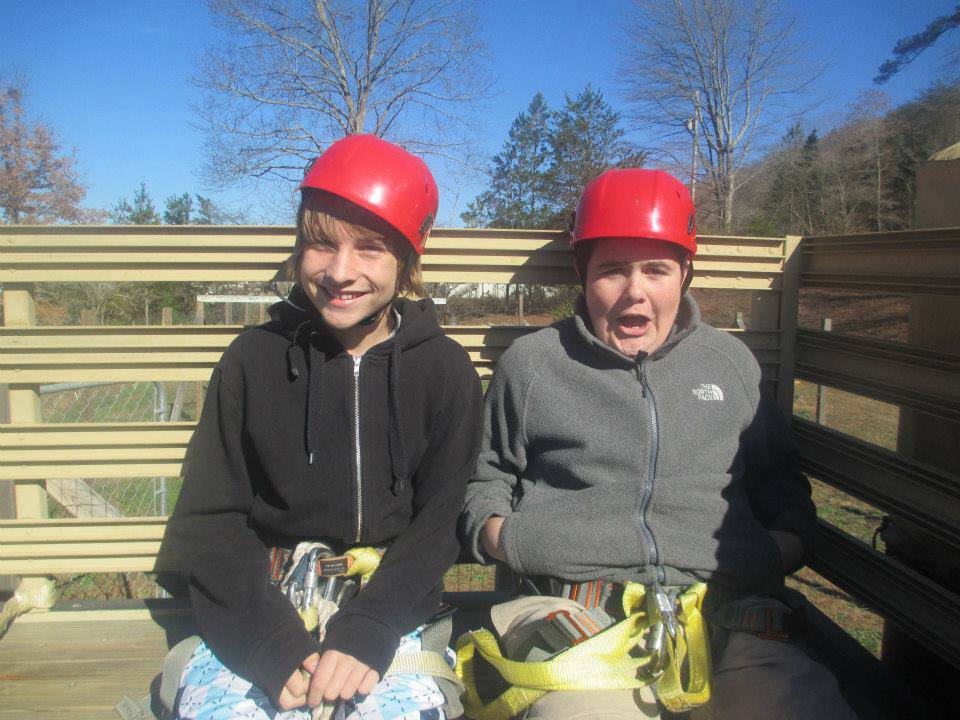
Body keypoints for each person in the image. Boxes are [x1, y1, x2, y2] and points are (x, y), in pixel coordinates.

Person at [460, 168, 856, 719]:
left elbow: (780, 482)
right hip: (578, 621)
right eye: (612, 270)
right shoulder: (533, 365)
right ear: (581, 274)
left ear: (684, 274)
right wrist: (508, 539)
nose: (635, 291)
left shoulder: (731, 364)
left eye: (656, 269)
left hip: (730, 618)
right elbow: (487, 476)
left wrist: (777, 549)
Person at [164, 134, 483, 720]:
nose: (340, 272)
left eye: (371, 248)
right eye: (320, 243)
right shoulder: (252, 361)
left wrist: (371, 624)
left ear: (410, 257)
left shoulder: (444, 371)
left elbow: (441, 522)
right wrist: (268, 640)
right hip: (259, 612)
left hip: (392, 614)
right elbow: (210, 518)